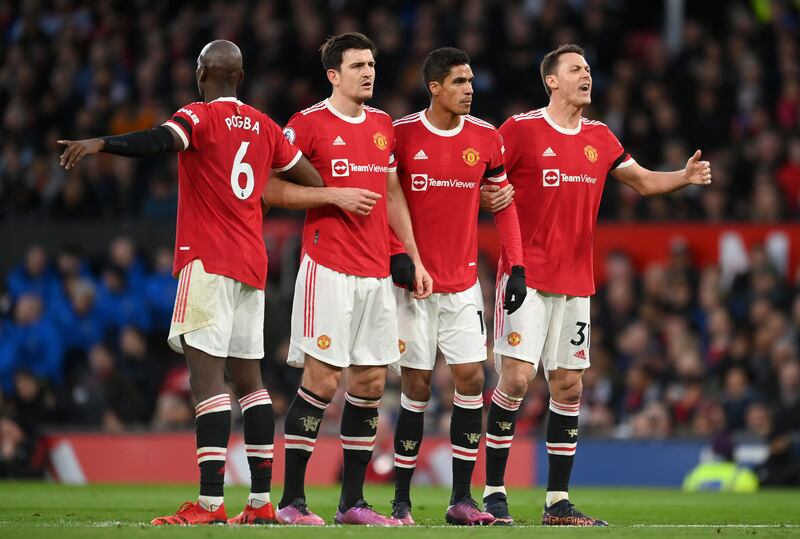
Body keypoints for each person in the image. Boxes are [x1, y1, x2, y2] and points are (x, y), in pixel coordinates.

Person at [58, 40, 335, 526]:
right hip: (253, 263)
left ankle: (209, 505)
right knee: (252, 385)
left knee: (206, 381)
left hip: (207, 261)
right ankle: (260, 502)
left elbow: (159, 140)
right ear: (242, 76)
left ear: (201, 73)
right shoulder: (267, 126)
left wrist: (101, 143)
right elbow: (308, 179)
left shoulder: (200, 116)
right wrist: (276, 203)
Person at [480, 44, 712, 526]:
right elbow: (483, 179)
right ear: (552, 80)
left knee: (568, 386)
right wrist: (485, 197)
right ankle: (494, 492)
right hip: (525, 275)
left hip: (576, 283)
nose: (586, 75)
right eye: (575, 69)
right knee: (518, 379)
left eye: (588, 68)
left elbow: (644, 183)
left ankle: (557, 503)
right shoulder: (520, 130)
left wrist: (684, 178)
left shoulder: (601, 137)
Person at [275, 32, 432, 527]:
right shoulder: (307, 124)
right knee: (322, 380)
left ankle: (352, 503)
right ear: (333, 75)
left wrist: (410, 254)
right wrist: (332, 197)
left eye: (371, 64)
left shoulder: (384, 124)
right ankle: (292, 502)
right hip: (328, 269)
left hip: (375, 275)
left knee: (368, 381)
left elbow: (390, 193)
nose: (369, 72)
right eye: (358, 65)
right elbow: (268, 188)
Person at [388, 47, 526, 526]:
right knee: (417, 385)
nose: (470, 89)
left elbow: (504, 202)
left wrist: (518, 266)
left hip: (463, 283)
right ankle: (401, 501)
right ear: (435, 87)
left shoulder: (486, 138)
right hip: (413, 285)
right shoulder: (401, 135)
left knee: (471, 380)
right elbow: (387, 194)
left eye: (471, 81)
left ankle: (462, 500)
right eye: (460, 82)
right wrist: (397, 253)